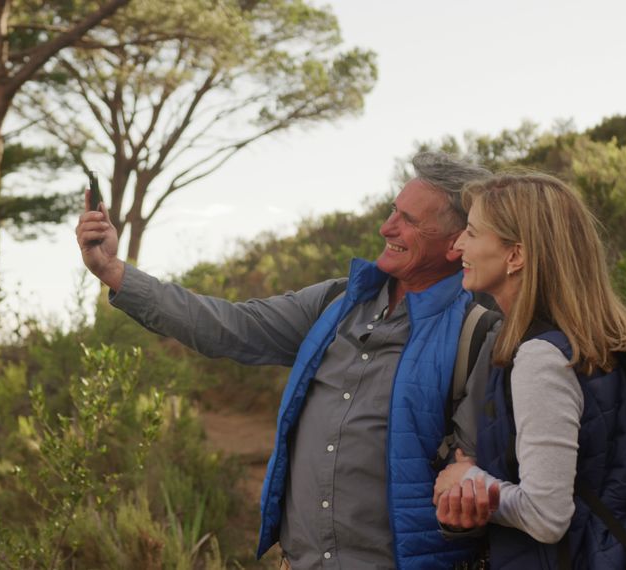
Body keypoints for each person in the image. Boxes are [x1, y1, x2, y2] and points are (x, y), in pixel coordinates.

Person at [76, 152, 492, 569]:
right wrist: (113, 270)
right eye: (392, 211)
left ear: (459, 242)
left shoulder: (478, 335)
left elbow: (490, 484)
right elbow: (229, 326)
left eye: (410, 221)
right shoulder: (336, 303)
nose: (386, 228)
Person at [434, 172, 626, 568]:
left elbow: (547, 516)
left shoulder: (541, 359)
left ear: (516, 256)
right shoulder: (577, 341)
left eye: (473, 234)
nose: (459, 244)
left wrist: (467, 481)